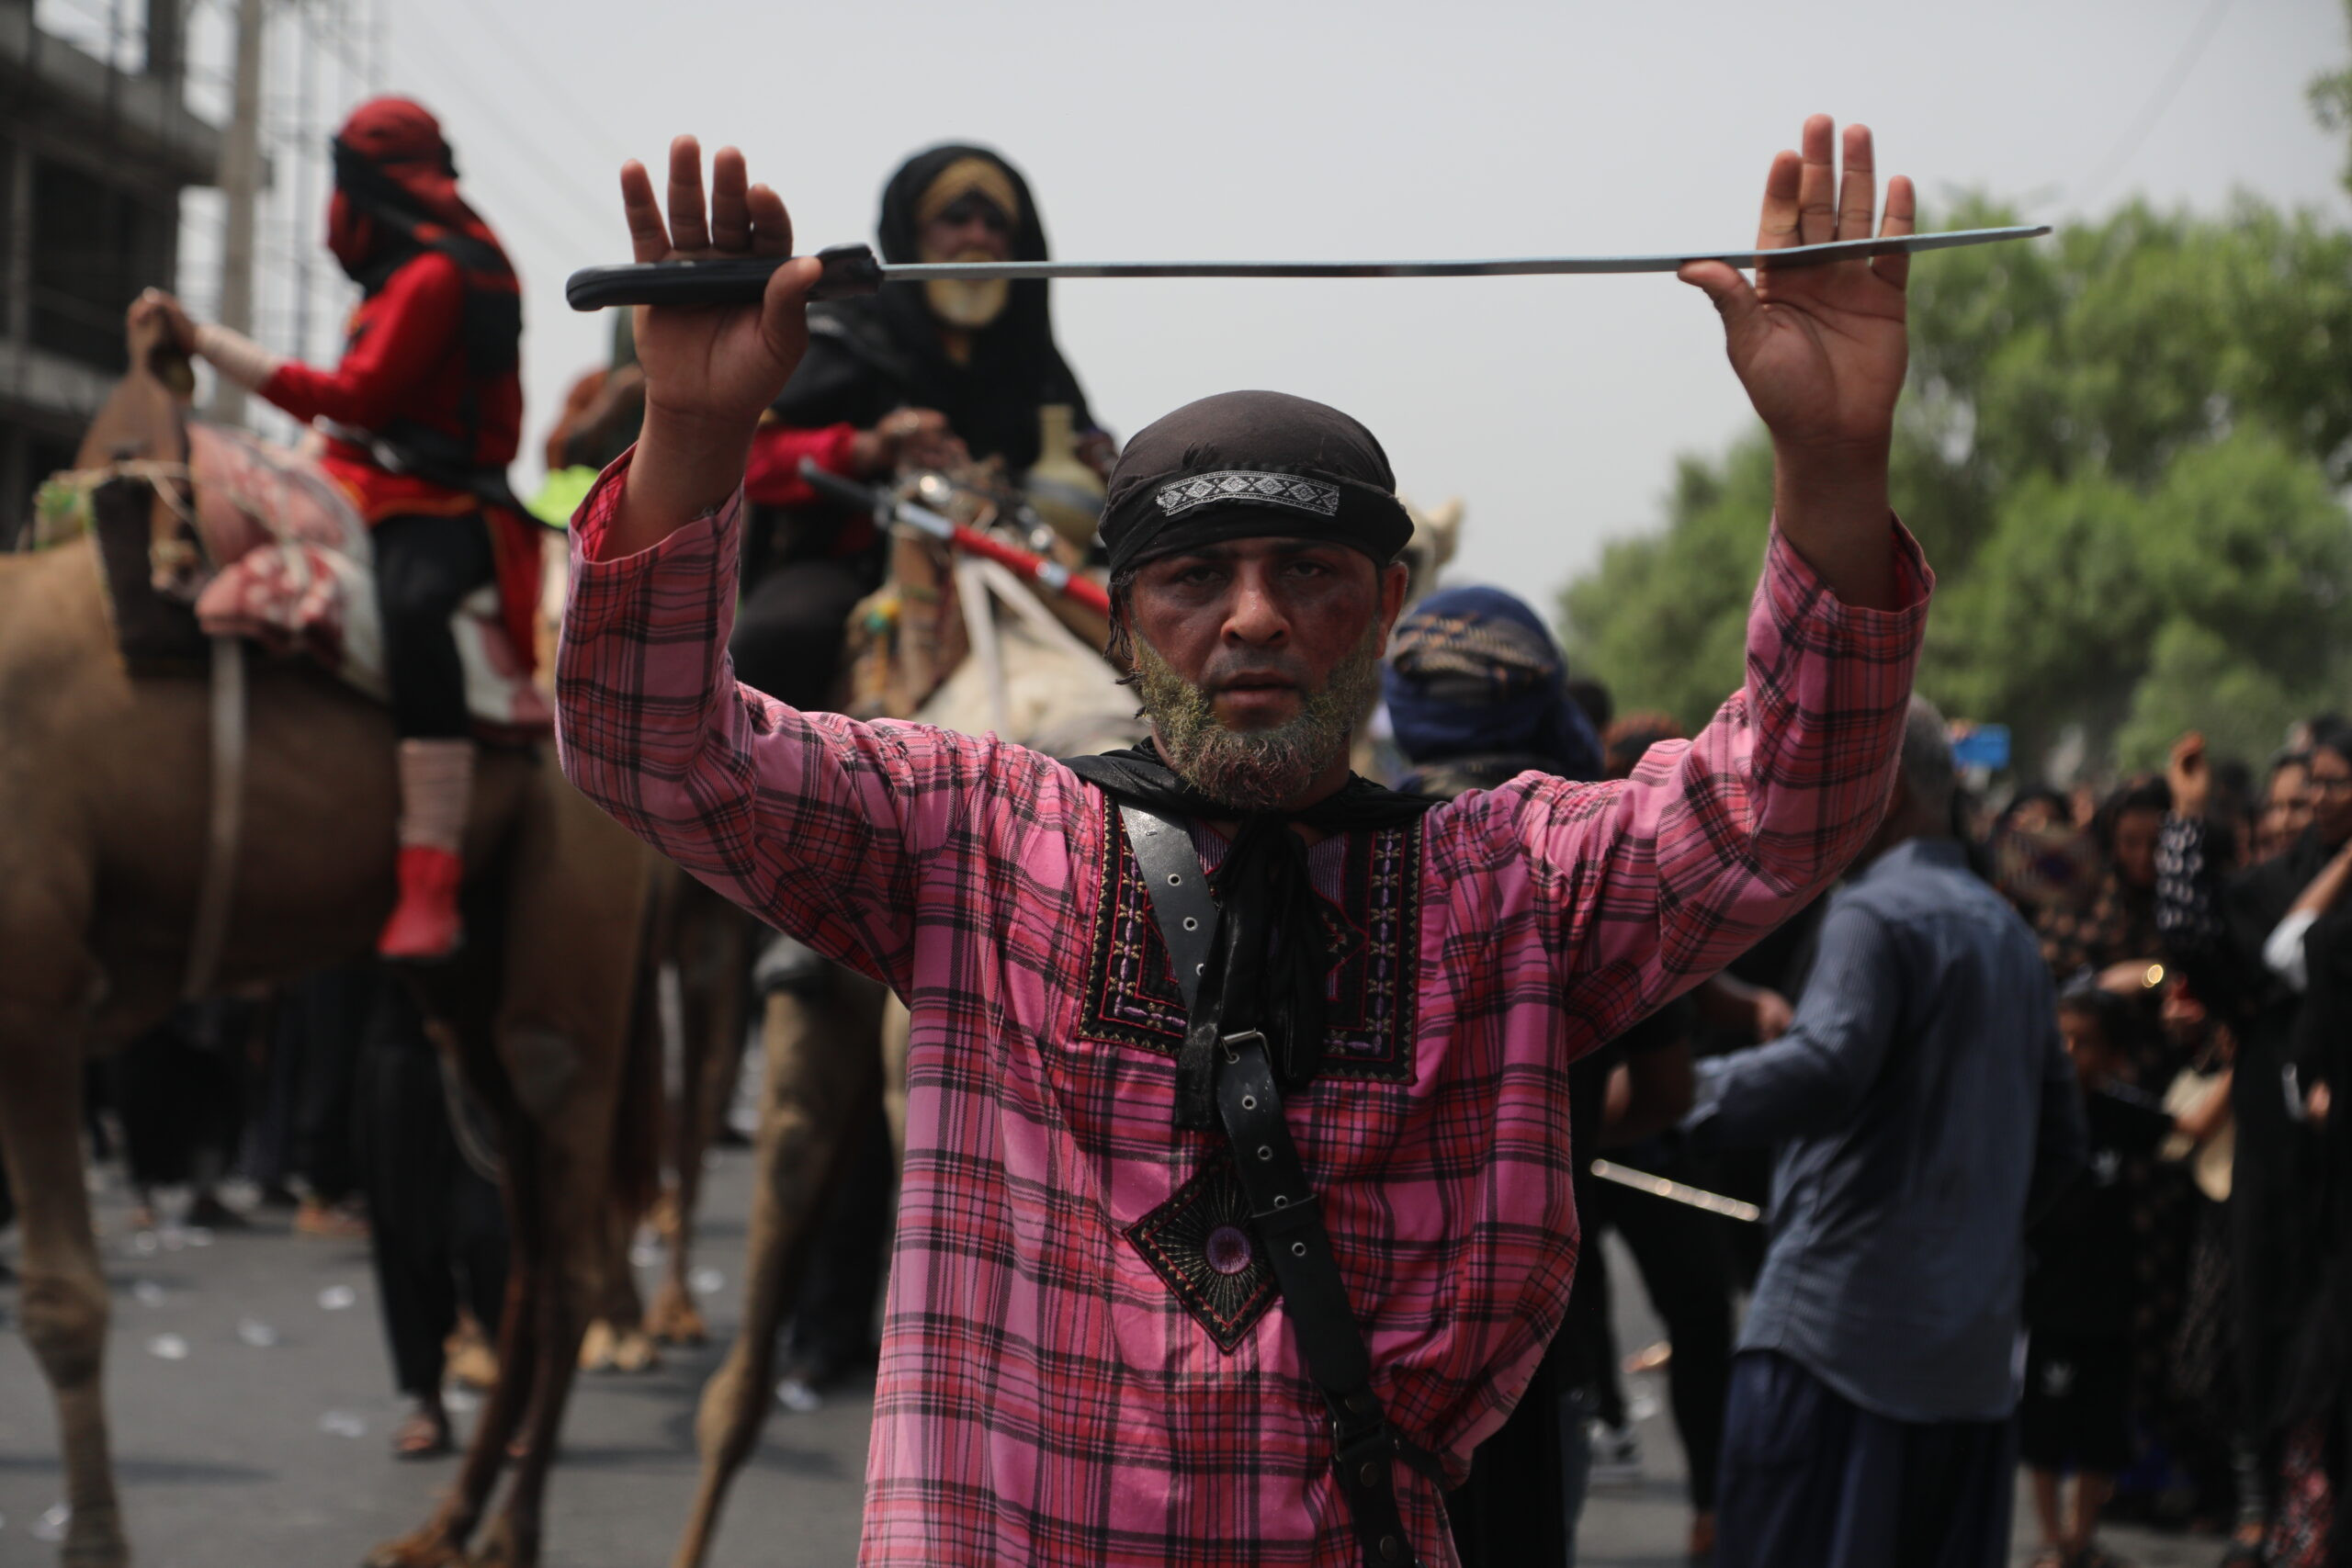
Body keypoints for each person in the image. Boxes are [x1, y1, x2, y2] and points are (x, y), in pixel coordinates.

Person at [557, 117, 1928, 1564]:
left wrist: (1833, 458)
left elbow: (1787, 799)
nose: (1255, 616)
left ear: (1387, 606)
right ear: (1117, 621)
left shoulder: (1513, 886)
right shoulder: (972, 838)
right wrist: (692, 433)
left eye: (1309, 570)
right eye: (1197, 575)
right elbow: (654, 749)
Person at [1681, 697, 2087, 1568]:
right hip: (1969, 1372)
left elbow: (1828, 1065)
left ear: (1886, 786)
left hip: (1835, 1350)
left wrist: (1677, 1096)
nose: (1800, 806)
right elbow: (2061, 1141)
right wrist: (1966, 1238)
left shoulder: (1871, 912)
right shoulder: (2010, 934)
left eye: (1820, 779)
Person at [140, 96, 538, 960]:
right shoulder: (410, 273)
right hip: (365, 481)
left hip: (442, 503)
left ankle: (430, 867)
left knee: (413, 606)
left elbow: (354, 397)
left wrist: (204, 341)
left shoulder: (435, 277)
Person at [1377, 586, 1687, 1567]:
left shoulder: (1340, 857)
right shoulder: (1594, 870)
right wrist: (1551, 1132)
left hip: (1364, 1339)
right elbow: (1668, 1090)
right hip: (1536, 1337)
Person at [729, 143, 1104, 710]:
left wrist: (1105, 465)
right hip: (856, 561)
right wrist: (869, 448)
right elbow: (752, 458)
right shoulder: (845, 330)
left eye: (996, 224)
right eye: (955, 218)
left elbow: (1078, 447)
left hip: (1016, 554)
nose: (977, 237)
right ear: (912, 232)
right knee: (778, 637)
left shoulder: (1033, 358)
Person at [2160, 723, 2352, 1562]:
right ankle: (2271, 1513)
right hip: (2279, 1154)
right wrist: (2187, 824)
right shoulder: (2272, 888)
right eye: (2296, 795)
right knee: (2265, 1329)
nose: (2303, 809)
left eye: (2327, 788)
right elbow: (2205, 944)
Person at [2021, 982, 2200, 1568]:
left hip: (2111, 1301)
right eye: (2062, 1039)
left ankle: (2081, 1539)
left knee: (2100, 1431)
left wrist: (2248, 1049)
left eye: (2086, 1042)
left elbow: (2191, 1127)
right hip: (2047, 1302)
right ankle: (2051, 1540)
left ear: (2114, 1056)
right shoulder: (2030, 1110)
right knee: (2045, 1430)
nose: (2071, 1052)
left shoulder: (2119, 1113)